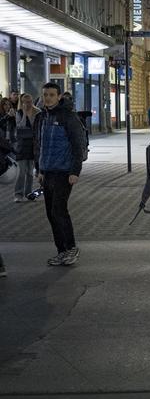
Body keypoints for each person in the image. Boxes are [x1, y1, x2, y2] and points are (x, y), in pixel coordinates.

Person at [34, 82, 89, 267]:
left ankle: (71, 248)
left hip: (64, 172)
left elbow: (78, 145)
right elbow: (39, 145)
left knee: (59, 210)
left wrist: (75, 171)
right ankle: (61, 251)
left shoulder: (68, 117)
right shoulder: (41, 117)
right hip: (47, 172)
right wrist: (39, 170)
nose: (47, 98)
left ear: (59, 97)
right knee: (51, 213)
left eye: (51, 94)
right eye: (45, 95)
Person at [13, 94, 40, 203]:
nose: (28, 104)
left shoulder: (37, 111)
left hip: (33, 145)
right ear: (21, 102)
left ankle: (28, 193)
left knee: (29, 172)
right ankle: (18, 194)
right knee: (21, 172)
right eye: (25, 102)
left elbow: (36, 126)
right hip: (22, 145)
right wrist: (24, 113)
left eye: (29, 101)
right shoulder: (18, 113)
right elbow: (20, 126)